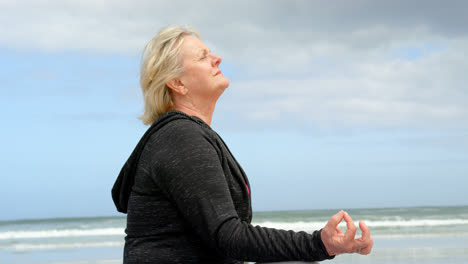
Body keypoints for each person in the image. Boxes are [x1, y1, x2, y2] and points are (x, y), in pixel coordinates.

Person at [112, 26, 373, 264]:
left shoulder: (185, 135)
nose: (217, 59)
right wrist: (319, 244)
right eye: (202, 57)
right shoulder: (181, 138)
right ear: (177, 83)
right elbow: (229, 236)